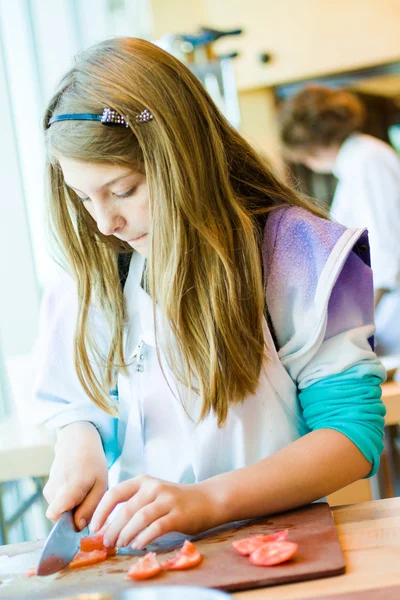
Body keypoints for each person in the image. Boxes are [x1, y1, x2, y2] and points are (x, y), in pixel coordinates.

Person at [34, 38, 385, 552]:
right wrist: (79, 440)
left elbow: (351, 436)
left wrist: (207, 502)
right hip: (148, 562)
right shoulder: (95, 268)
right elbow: (79, 403)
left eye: (124, 190)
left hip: (280, 550)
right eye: (83, 196)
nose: (105, 222)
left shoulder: (291, 253)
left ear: (184, 159)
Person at [279, 85, 400, 355]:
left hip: (392, 310)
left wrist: (359, 322)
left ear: (307, 147)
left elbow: (387, 254)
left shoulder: (368, 160)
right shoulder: (357, 161)